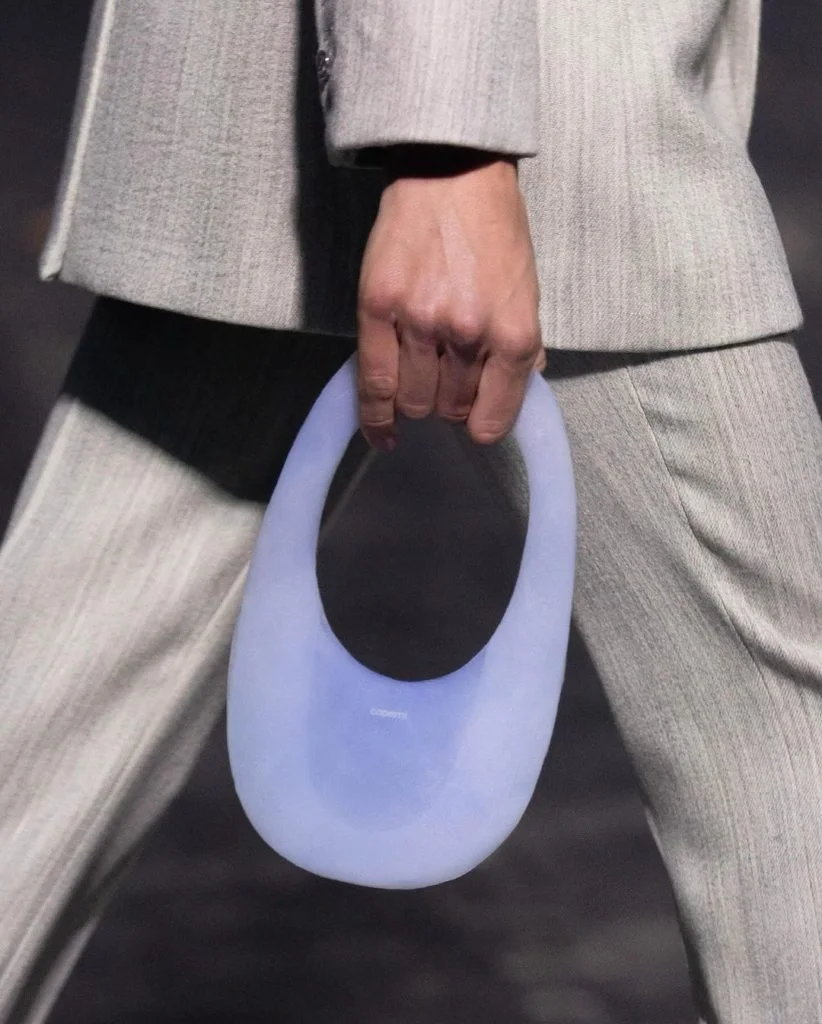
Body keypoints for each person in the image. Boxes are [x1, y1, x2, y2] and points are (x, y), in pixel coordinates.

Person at [1, 1, 820, 1021]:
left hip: (317, 99)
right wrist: (445, 147)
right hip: (525, 102)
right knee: (787, 730)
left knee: (65, 688)